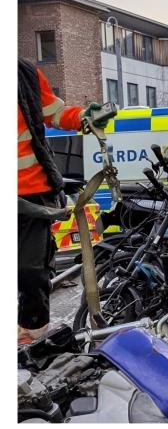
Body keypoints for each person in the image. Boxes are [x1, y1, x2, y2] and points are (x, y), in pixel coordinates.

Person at [18, 56, 103, 344]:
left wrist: (83, 117)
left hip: (32, 194)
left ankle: (33, 330)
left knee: (30, 269)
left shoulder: (24, 73)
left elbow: (54, 112)